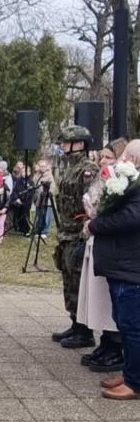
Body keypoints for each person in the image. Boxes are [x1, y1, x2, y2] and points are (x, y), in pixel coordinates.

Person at [86, 139, 140, 399]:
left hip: (131, 267)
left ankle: (135, 383)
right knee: (125, 323)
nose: (123, 160)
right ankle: (131, 373)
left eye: (128, 155)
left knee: (132, 327)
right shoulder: (131, 184)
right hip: (122, 265)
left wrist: (96, 224)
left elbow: (130, 218)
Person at [77, 138, 126, 373]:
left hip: (112, 247)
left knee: (110, 301)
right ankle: (105, 342)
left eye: (110, 157)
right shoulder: (101, 178)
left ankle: (115, 346)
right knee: (97, 297)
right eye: (103, 157)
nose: (104, 161)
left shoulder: (124, 183)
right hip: (96, 241)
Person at [51, 125, 98, 348]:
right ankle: (75, 322)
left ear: (79, 144)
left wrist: (83, 232)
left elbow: (92, 202)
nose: (62, 146)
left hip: (78, 233)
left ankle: (84, 331)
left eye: (66, 143)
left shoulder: (87, 169)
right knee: (69, 281)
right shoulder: (69, 167)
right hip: (66, 232)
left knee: (78, 281)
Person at [32, 158, 55, 237]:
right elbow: (34, 185)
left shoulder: (49, 175)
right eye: (41, 166)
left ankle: (45, 231)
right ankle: (38, 230)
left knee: (46, 216)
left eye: (44, 166)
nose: (42, 168)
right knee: (39, 215)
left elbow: (52, 187)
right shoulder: (36, 176)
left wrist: (47, 194)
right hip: (38, 199)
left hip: (46, 200)